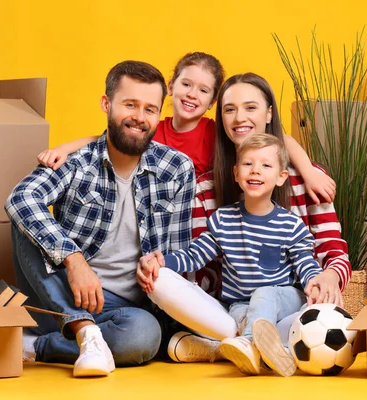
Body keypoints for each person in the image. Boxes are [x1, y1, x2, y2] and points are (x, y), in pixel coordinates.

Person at [36, 53, 336, 296]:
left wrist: (308, 170)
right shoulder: (155, 132)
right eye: (186, 85)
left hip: (274, 281)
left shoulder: (212, 133)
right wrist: (67, 146)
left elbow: (276, 140)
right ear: (171, 86)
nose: (193, 95)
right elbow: (112, 136)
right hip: (179, 234)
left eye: (204, 91)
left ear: (210, 103)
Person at [139, 72, 352, 373]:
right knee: (161, 280)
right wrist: (164, 264)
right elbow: (201, 263)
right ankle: (253, 343)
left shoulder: (306, 180)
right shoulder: (207, 193)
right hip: (234, 306)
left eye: (250, 107)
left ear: (269, 114)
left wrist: (326, 278)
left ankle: (224, 346)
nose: (240, 117)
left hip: (293, 304)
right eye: (229, 109)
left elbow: (324, 254)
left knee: (318, 322)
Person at [5, 60, 196, 378]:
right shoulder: (75, 162)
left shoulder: (176, 168)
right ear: (107, 104)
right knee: (24, 217)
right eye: (130, 104)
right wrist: (74, 260)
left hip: (123, 308)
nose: (139, 117)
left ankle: (35, 346)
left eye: (150, 109)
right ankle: (83, 331)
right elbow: (21, 198)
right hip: (61, 293)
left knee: (143, 337)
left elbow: (176, 254)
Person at [137, 133, 324, 377]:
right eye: (248, 164)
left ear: (281, 177)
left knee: (265, 293)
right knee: (238, 316)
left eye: (266, 165)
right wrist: (163, 261)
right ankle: (264, 348)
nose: (255, 171)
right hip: (240, 306)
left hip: (285, 302)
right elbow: (195, 255)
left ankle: (246, 345)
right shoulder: (223, 220)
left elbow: (305, 263)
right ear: (236, 173)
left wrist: (315, 282)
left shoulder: (291, 224)